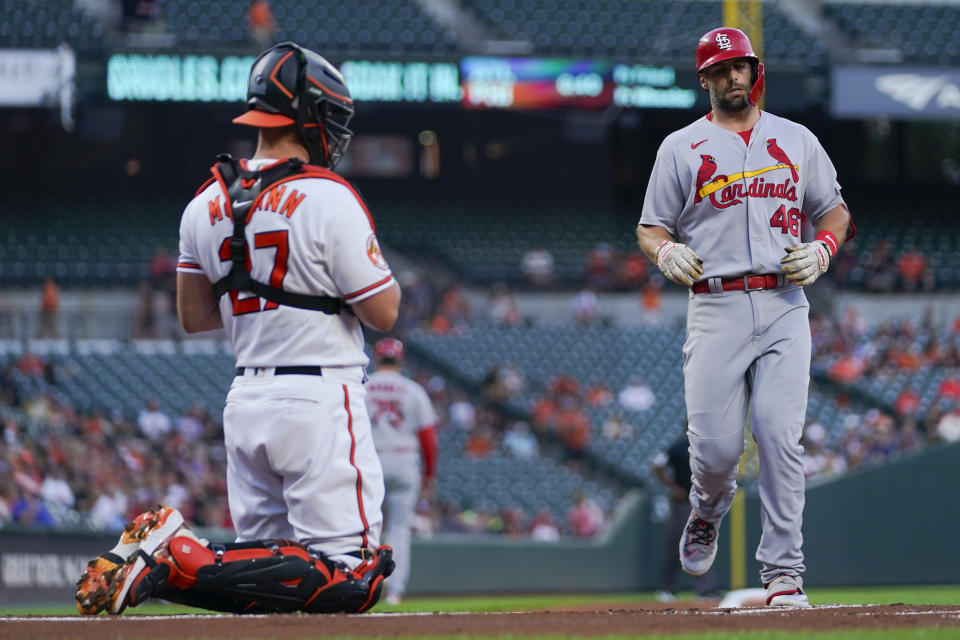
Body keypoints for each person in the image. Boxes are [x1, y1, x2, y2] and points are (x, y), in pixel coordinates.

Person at [75, 42, 400, 616]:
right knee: (351, 575)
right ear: (308, 115)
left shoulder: (203, 202)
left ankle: (162, 566)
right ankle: (178, 551)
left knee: (262, 589)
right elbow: (384, 313)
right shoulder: (330, 196)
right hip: (319, 395)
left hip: (246, 398)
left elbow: (194, 315)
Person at [635, 27, 854, 608]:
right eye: (723, 68)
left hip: (784, 303)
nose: (736, 76)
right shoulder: (680, 147)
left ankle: (784, 575)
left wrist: (824, 249)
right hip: (715, 304)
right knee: (712, 454)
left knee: (781, 439)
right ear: (704, 78)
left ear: (755, 70)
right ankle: (708, 508)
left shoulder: (797, 140)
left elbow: (834, 212)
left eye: (744, 66)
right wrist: (663, 250)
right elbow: (650, 224)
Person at [364, 337, 438, 605]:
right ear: (400, 359)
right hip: (405, 460)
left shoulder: (364, 386)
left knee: (364, 526)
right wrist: (430, 474)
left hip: (370, 460)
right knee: (399, 528)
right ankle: (395, 591)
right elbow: (429, 438)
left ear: (376, 356)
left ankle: (362, 583)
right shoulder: (413, 390)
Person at [651, 430, 717, 602]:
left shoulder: (704, 447)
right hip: (683, 502)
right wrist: (672, 488)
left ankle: (706, 590)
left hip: (701, 502)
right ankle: (666, 589)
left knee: (702, 543)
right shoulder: (678, 447)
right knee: (675, 545)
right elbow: (656, 467)